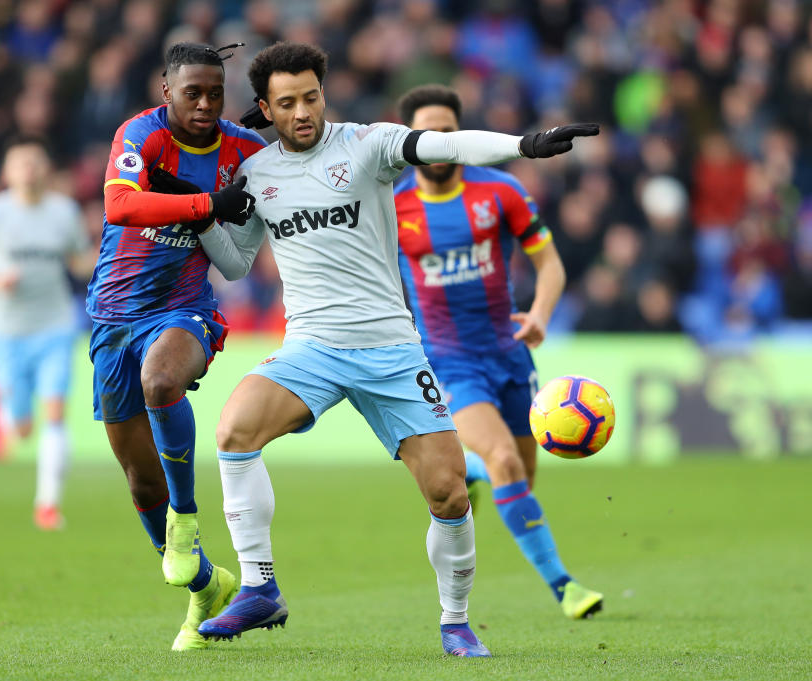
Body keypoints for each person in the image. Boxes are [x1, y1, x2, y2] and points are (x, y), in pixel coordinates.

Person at [189, 42, 598, 655]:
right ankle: (259, 586)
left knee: (449, 492)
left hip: (391, 350)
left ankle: (455, 621)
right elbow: (236, 263)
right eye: (287, 103)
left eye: (311, 97)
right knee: (233, 431)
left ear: (324, 93)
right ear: (267, 110)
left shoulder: (368, 144)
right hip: (311, 348)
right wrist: (201, 214)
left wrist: (524, 146)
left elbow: (445, 146)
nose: (303, 112)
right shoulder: (256, 173)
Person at [392, 84, 603, 620]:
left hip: (509, 356)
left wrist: (540, 315)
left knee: (519, 479)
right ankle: (565, 587)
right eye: (426, 132)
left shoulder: (500, 192)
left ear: (460, 134)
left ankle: (473, 471)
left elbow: (550, 264)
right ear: (409, 140)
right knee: (507, 459)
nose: (437, 139)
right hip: (447, 360)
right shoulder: (392, 207)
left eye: (447, 129)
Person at [85, 42, 264, 651]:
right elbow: (120, 204)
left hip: (182, 308)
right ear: (168, 91)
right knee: (139, 483)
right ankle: (205, 589)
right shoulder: (140, 134)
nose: (207, 104)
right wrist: (208, 204)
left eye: (216, 92)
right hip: (112, 318)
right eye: (193, 92)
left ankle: (186, 519)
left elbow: (298, 167)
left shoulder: (242, 146)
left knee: (161, 382)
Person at [0, 135, 96, 531]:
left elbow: (80, 261)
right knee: (19, 428)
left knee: (54, 412)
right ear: (7, 172)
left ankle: (47, 504)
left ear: (46, 168)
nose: (28, 169)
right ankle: (8, 409)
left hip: (54, 326)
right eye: (20, 163)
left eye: (35, 161)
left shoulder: (64, 212)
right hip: (7, 331)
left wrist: (108, 257)